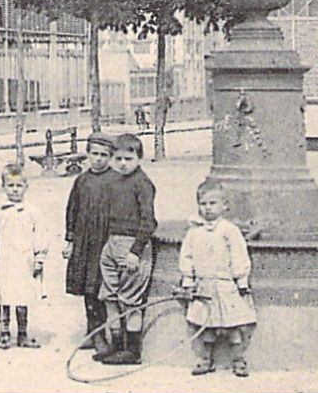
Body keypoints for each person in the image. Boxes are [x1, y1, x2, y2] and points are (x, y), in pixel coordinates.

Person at [176, 181, 257, 377]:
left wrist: (241, 281)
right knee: (206, 326)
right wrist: (188, 280)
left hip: (225, 285)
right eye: (203, 204)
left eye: (213, 203)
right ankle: (205, 359)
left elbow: (239, 255)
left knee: (233, 326)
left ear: (224, 206)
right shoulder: (194, 232)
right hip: (204, 284)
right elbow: (187, 256)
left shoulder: (229, 230)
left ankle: (238, 360)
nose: (208, 208)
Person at [95, 132, 158, 366]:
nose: (123, 163)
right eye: (118, 158)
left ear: (139, 158)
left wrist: (136, 251)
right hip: (112, 244)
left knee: (130, 301)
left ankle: (131, 350)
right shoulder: (113, 182)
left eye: (128, 159)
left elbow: (149, 221)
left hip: (132, 247)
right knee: (109, 297)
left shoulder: (142, 184)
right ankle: (115, 344)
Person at [62, 131, 115, 352]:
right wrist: (70, 241)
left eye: (104, 154)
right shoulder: (81, 181)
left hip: (104, 241)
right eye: (95, 154)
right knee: (87, 287)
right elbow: (72, 211)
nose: (99, 159)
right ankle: (92, 331)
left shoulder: (115, 180)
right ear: (88, 154)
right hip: (85, 241)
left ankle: (102, 334)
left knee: (101, 287)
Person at [0, 163, 49, 348]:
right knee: (5, 296)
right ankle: (4, 332)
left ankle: (22, 333)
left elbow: (40, 234)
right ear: (3, 186)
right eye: (11, 185)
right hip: (5, 259)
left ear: (26, 187)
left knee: (22, 296)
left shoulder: (33, 211)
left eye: (19, 186)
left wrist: (39, 257)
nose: (15, 190)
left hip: (24, 260)